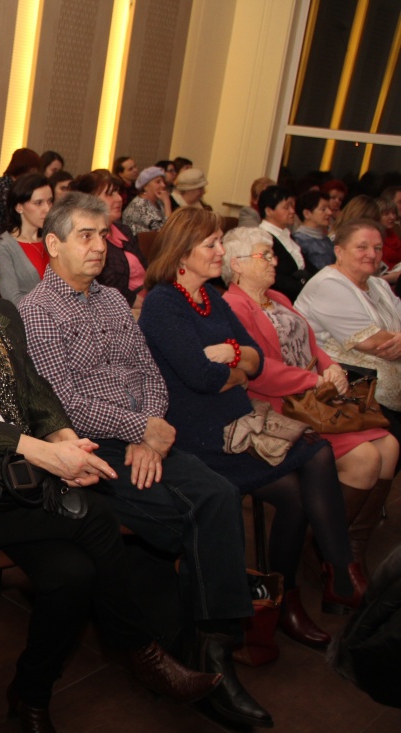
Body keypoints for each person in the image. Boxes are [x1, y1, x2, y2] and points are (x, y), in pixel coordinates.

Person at [0, 203, 221, 733]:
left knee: (71, 574)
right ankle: (140, 651)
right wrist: (41, 452)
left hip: (16, 479)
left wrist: (64, 439)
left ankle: (31, 694)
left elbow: (35, 390)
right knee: (96, 516)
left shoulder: (0, 313)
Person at [19, 193, 269, 728]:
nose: (98, 246)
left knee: (217, 499)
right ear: (53, 244)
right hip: (86, 447)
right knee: (200, 512)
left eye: (102, 236)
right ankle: (200, 657)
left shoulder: (112, 300)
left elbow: (150, 373)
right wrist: (138, 430)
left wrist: (150, 432)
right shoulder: (37, 312)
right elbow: (64, 403)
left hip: (145, 434)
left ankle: (203, 654)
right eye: (85, 236)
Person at [138, 208, 363, 649]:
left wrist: (233, 357)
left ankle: (315, 584)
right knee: (303, 477)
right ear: (182, 254)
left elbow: (256, 358)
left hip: (237, 421)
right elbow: (202, 377)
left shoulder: (210, 296)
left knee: (312, 461)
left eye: (220, 242)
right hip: (199, 436)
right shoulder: (164, 303)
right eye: (211, 244)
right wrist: (234, 366)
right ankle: (322, 583)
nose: (220, 252)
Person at [222, 226, 396, 581]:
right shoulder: (234, 307)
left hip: (313, 400)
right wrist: (314, 380)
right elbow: (260, 371)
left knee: (390, 446)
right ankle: (329, 556)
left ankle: (347, 547)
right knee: (365, 458)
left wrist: (331, 368)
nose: (274, 261)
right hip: (278, 407)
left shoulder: (277, 297)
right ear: (237, 264)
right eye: (264, 255)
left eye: (272, 254)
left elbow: (312, 343)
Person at [295, 219, 401, 417]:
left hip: (379, 394)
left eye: (377, 248)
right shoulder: (328, 285)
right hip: (349, 396)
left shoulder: (379, 285)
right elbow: (371, 342)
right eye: (362, 247)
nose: (372, 254)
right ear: (339, 252)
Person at [71, 170, 147, 306]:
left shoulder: (124, 231)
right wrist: (138, 302)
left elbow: (145, 270)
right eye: (110, 194)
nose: (119, 198)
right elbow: (99, 285)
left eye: (118, 192)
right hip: (118, 307)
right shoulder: (84, 238)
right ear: (90, 200)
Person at [0, 172, 52, 304]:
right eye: (39, 203)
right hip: (28, 314)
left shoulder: (53, 240)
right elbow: (12, 300)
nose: (47, 209)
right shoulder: (1, 246)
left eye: (50, 201)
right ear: (19, 207)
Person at [258, 185, 315, 300]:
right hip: (279, 298)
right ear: (269, 211)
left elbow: (307, 265)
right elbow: (275, 278)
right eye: (286, 207)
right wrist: (307, 291)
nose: (292, 211)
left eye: (292, 206)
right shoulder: (262, 238)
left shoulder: (286, 235)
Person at [0, 148, 41, 230]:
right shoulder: (1, 184)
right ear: (22, 168)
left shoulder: (29, 186)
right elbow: (11, 211)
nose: (34, 175)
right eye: (32, 171)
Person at [292, 189, 336, 270]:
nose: (329, 212)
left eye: (329, 208)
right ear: (307, 214)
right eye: (323, 209)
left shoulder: (325, 239)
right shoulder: (298, 240)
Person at [122, 166, 171, 233]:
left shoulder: (158, 202)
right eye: (158, 182)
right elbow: (164, 231)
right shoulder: (139, 206)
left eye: (163, 182)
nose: (163, 185)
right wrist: (167, 203)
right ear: (145, 186)